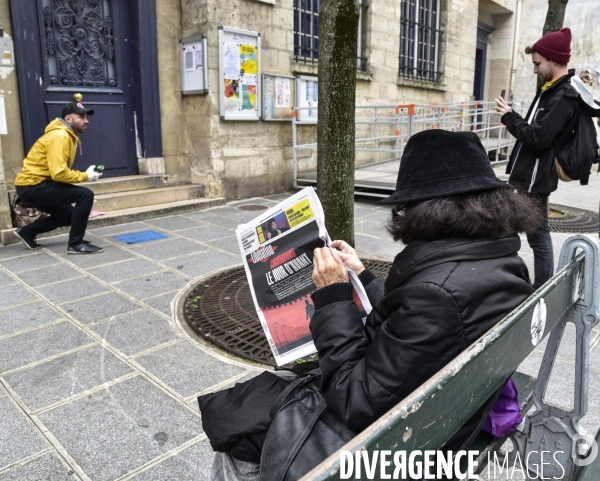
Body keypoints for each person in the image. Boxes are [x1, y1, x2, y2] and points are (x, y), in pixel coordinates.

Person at [309, 130, 539, 461]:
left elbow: (353, 400)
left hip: (426, 439)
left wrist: (333, 297)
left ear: (425, 210)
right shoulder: (501, 259)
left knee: (237, 436)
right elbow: (422, 319)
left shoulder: (436, 296)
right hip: (460, 407)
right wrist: (363, 277)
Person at [494, 27, 577, 289]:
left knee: (534, 237)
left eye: (537, 64)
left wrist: (508, 117)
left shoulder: (563, 96)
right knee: (525, 233)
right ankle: (534, 286)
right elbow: (535, 130)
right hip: (530, 176)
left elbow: (538, 138)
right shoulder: (551, 90)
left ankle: (540, 288)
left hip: (534, 180)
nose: (534, 70)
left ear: (554, 60)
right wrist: (513, 115)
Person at [14, 102, 104, 254]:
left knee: (70, 216)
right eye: (81, 117)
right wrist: (85, 177)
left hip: (34, 186)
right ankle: (76, 244)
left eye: (86, 117)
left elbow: (56, 171)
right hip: (34, 187)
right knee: (85, 195)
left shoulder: (66, 135)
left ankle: (27, 232)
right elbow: (59, 173)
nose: (86, 120)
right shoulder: (60, 136)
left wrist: (75, 185)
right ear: (68, 119)